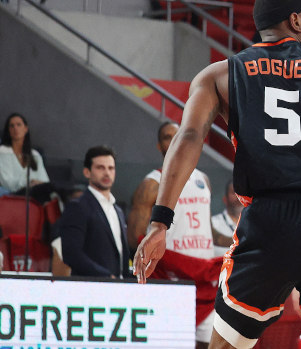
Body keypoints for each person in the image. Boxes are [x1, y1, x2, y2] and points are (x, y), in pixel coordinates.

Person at [132, 0, 301, 349]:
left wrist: (160, 222)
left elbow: (187, 138)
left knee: (226, 346)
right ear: (295, 21)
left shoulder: (220, 74)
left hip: (270, 222)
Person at [128, 122, 218, 348]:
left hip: (205, 279)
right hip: (173, 278)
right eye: (168, 137)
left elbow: (207, 229)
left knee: (207, 344)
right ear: (159, 145)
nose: (175, 140)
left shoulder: (203, 179)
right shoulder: (151, 183)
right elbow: (135, 237)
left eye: (178, 135)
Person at [59, 146, 128, 278]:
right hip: (89, 290)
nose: (107, 173)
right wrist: (106, 276)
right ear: (87, 172)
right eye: (100, 168)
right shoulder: (77, 207)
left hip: (118, 290)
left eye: (111, 168)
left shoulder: (118, 210)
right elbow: (71, 254)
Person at [0, 112, 53, 199]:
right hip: (13, 196)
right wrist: (29, 183)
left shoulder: (35, 154)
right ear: (8, 130)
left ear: (26, 129)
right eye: (12, 126)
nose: (15, 128)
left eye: (19, 125)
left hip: (36, 194)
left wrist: (36, 184)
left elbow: (45, 181)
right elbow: (6, 183)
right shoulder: (2, 152)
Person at [211, 180, 242, 254]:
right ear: (225, 199)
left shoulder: (255, 225)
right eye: (234, 193)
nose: (239, 197)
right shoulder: (214, 224)